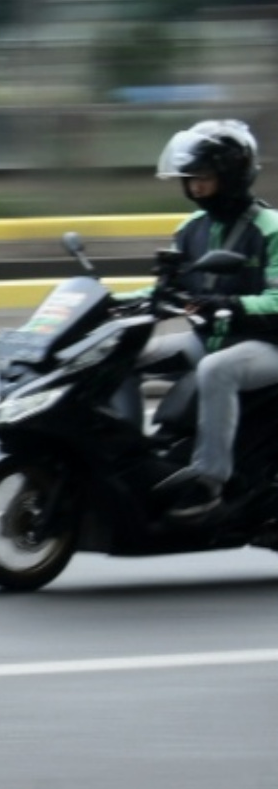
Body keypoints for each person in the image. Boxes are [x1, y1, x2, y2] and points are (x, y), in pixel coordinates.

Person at [143, 121, 278, 517]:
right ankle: (125, 457)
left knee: (216, 371)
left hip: (267, 346)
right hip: (211, 337)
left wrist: (231, 305)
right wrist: (112, 303)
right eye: (190, 179)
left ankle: (208, 482)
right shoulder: (191, 230)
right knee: (127, 352)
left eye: (203, 178)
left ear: (231, 176)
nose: (195, 188)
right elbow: (166, 287)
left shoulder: (270, 230)